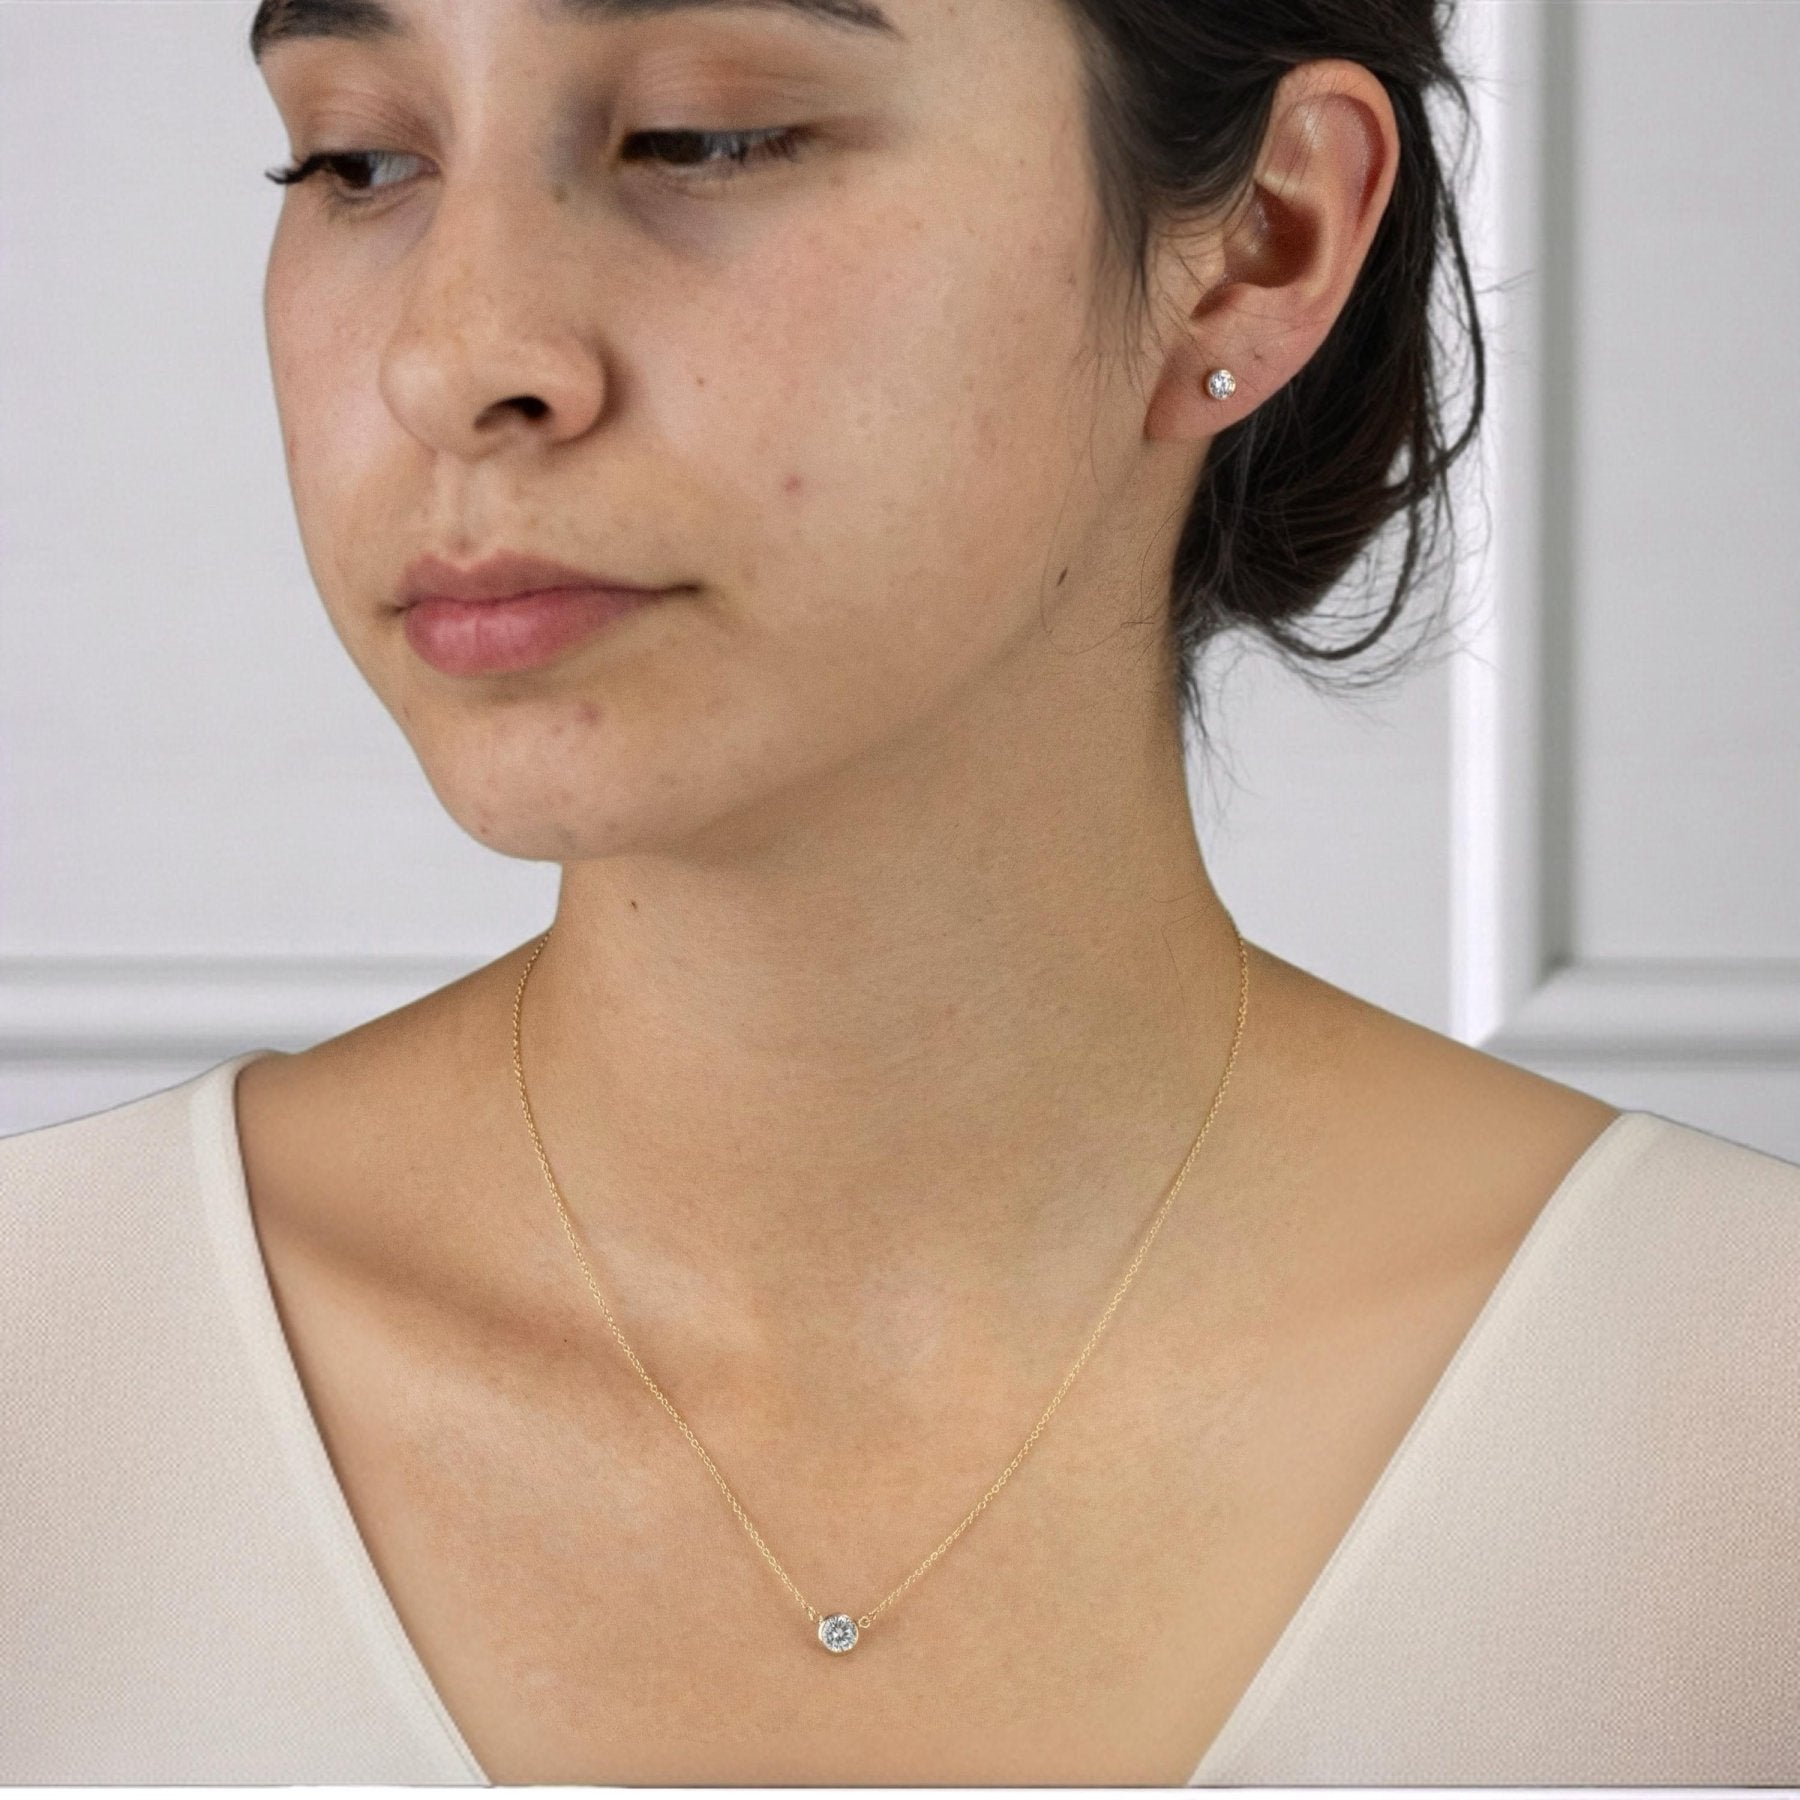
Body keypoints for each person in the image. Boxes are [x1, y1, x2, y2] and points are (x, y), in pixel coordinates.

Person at [2, 0, 1796, 1785]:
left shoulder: (1740, 1412)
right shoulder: (44, 1377)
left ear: (1262, 243)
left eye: (706, 135)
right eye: (357, 160)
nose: (453, 359)